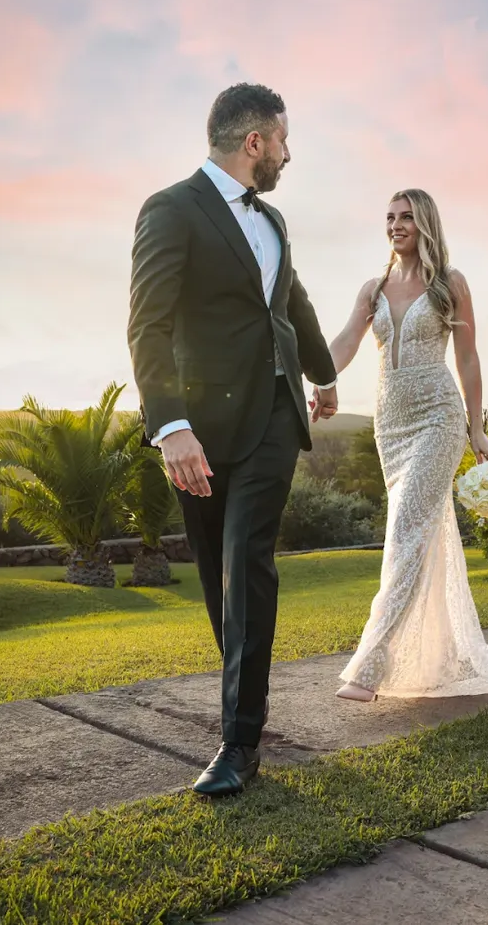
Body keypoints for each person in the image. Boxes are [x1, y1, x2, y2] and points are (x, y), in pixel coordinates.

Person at [127, 83, 338, 795]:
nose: (287, 152)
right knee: (220, 578)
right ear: (255, 143)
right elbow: (148, 327)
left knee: (248, 562)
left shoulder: (273, 221)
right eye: (282, 139)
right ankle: (243, 704)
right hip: (202, 425)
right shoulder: (171, 210)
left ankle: (239, 741)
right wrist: (171, 426)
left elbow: (291, 303)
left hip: (275, 413)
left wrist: (324, 373)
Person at [327, 189, 488, 701]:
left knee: (406, 528)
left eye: (406, 217)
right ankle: (431, 650)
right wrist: (321, 379)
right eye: (389, 217)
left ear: (425, 223)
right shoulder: (373, 289)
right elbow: (348, 338)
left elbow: (469, 359)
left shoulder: (449, 284)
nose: (395, 225)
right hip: (390, 424)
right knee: (417, 531)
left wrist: (475, 427)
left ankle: (372, 661)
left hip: (438, 416)